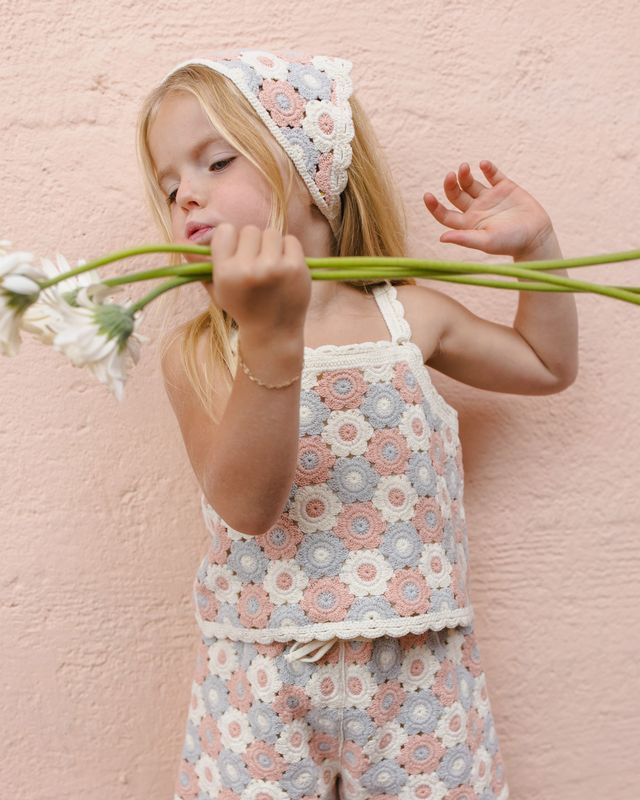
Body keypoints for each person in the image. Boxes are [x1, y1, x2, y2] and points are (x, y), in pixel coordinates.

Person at [136, 48, 578, 800]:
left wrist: (537, 252)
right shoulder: (204, 352)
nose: (187, 198)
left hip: (420, 667)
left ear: (316, 172)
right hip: (259, 677)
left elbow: (545, 364)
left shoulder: (411, 317)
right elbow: (246, 507)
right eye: (171, 185)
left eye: (217, 162)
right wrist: (269, 337)